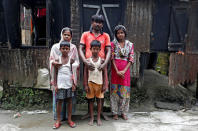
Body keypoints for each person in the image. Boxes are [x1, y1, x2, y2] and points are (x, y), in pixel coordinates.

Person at [79, 14, 111, 121]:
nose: (98, 24)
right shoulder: (85, 34)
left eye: (100, 22)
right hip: (89, 66)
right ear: (92, 22)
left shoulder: (105, 36)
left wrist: (104, 63)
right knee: (89, 89)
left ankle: (100, 113)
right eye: (95, 21)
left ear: (102, 24)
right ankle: (90, 113)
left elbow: (109, 50)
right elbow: (80, 48)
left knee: (102, 88)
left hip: (101, 66)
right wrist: (85, 61)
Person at [49, 27, 79, 123]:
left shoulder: (73, 47)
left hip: (69, 79)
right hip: (59, 80)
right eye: (64, 34)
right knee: (59, 99)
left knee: (69, 99)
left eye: (68, 35)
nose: (66, 36)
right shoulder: (55, 47)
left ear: (71, 37)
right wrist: (54, 63)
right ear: (61, 35)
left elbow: (77, 62)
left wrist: (71, 64)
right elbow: (51, 60)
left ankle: (68, 118)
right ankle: (58, 118)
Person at [110, 25, 134, 120]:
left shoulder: (130, 44)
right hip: (115, 70)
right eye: (118, 33)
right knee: (114, 91)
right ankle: (115, 112)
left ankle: (124, 112)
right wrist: (117, 70)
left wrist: (124, 70)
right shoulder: (113, 44)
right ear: (116, 34)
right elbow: (112, 58)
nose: (120, 34)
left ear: (125, 34)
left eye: (122, 32)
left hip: (125, 71)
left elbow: (131, 58)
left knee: (125, 92)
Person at [53, 41, 76, 129]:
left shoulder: (71, 60)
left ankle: (69, 119)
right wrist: (55, 85)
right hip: (60, 85)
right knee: (59, 102)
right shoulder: (57, 60)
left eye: (67, 48)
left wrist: (74, 83)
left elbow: (73, 73)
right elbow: (55, 73)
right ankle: (58, 120)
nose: (65, 50)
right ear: (60, 49)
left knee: (69, 101)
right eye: (63, 48)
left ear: (69, 50)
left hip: (69, 84)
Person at [84, 40, 106, 126]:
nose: (95, 51)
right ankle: (92, 118)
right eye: (93, 49)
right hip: (90, 83)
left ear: (100, 49)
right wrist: (85, 85)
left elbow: (104, 73)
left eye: (97, 49)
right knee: (91, 101)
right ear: (90, 49)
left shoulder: (102, 61)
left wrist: (105, 84)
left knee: (99, 101)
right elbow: (85, 73)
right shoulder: (88, 61)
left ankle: (98, 118)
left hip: (100, 83)